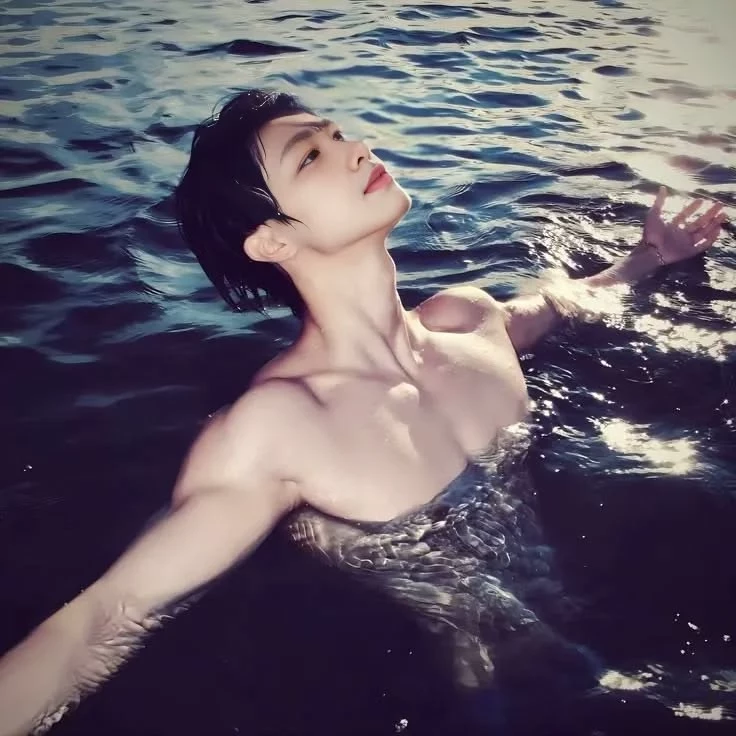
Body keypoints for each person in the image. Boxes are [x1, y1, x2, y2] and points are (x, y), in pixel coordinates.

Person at [0, 88, 727, 735]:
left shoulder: (468, 320)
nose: (355, 148)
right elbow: (104, 617)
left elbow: (564, 303)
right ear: (273, 239)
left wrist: (648, 258)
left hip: (605, 618)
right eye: (311, 154)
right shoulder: (278, 428)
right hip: (504, 691)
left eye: (338, 133)